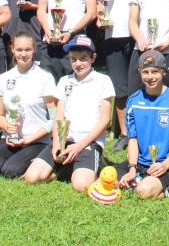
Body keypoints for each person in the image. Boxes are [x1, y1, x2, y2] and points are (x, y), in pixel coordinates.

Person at [23, 35, 114, 192]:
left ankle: (95, 164)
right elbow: (59, 117)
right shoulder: (65, 81)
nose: (78, 64)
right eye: (73, 59)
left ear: (93, 58)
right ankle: (68, 165)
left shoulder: (103, 81)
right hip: (66, 140)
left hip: (88, 143)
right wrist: (57, 143)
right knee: (32, 177)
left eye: (83, 58)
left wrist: (79, 146)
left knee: (81, 185)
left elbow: (105, 120)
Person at [93, 0, 149, 153]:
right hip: (112, 34)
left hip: (139, 35)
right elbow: (99, 0)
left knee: (142, 84)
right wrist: (99, 15)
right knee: (120, 88)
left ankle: (143, 130)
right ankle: (125, 134)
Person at [115, 50, 169, 199]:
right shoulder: (133, 100)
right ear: (139, 73)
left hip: (165, 165)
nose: (150, 77)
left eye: (155, 72)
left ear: (163, 72)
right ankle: (136, 178)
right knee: (104, 181)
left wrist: (165, 165)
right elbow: (133, 139)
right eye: (146, 72)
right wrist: (131, 168)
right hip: (139, 163)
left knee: (143, 191)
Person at [0, 31, 57, 178]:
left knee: (10, 171)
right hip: (10, 138)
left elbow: (54, 118)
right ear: (12, 50)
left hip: (37, 140)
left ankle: (43, 164)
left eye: (27, 50)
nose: (23, 54)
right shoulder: (3, 79)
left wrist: (30, 139)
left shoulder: (45, 78)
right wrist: (7, 127)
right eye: (19, 50)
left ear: (34, 49)